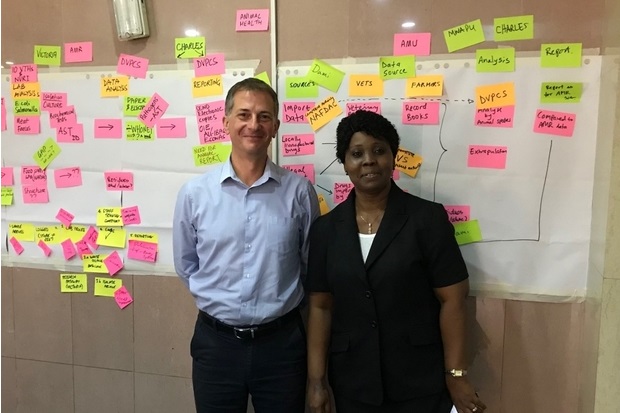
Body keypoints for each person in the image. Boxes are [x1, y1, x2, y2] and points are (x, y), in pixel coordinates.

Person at [306, 110, 486, 413]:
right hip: (353, 383)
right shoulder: (326, 229)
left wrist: (456, 375)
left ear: (393, 156)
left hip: (418, 380)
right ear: (344, 163)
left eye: (379, 150)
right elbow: (320, 307)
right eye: (356, 153)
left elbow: (453, 299)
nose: (368, 160)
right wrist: (316, 382)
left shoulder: (426, 219)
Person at [173, 77, 320, 413]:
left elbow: (310, 265)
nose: (253, 124)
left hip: (283, 346)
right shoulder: (195, 194)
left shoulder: (299, 192)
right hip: (216, 344)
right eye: (244, 115)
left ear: (276, 127)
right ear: (226, 122)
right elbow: (186, 265)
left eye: (264, 116)